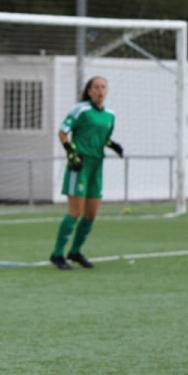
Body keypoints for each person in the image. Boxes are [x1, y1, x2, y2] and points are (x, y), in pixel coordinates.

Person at [49, 76, 123, 270]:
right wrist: (71, 153)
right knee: (75, 212)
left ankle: (75, 252)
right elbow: (63, 132)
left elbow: (103, 138)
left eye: (103, 87)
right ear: (89, 91)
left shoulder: (110, 115)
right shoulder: (81, 109)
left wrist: (112, 145)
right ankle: (57, 254)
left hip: (97, 166)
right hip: (80, 166)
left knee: (90, 214)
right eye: (96, 87)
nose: (100, 90)